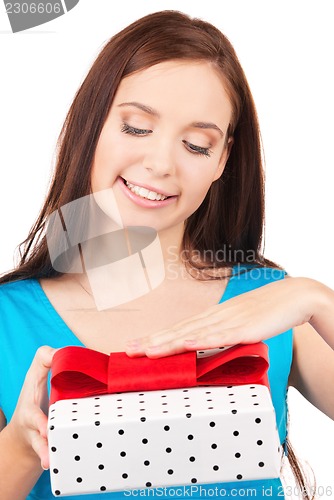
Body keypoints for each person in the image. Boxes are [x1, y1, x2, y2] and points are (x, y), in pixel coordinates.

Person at [0, 9, 333, 500]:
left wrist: (317, 300)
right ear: (90, 123)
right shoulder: (8, 319)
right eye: (136, 127)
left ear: (222, 160)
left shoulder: (270, 307)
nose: (160, 163)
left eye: (196, 145)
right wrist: (23, 450)